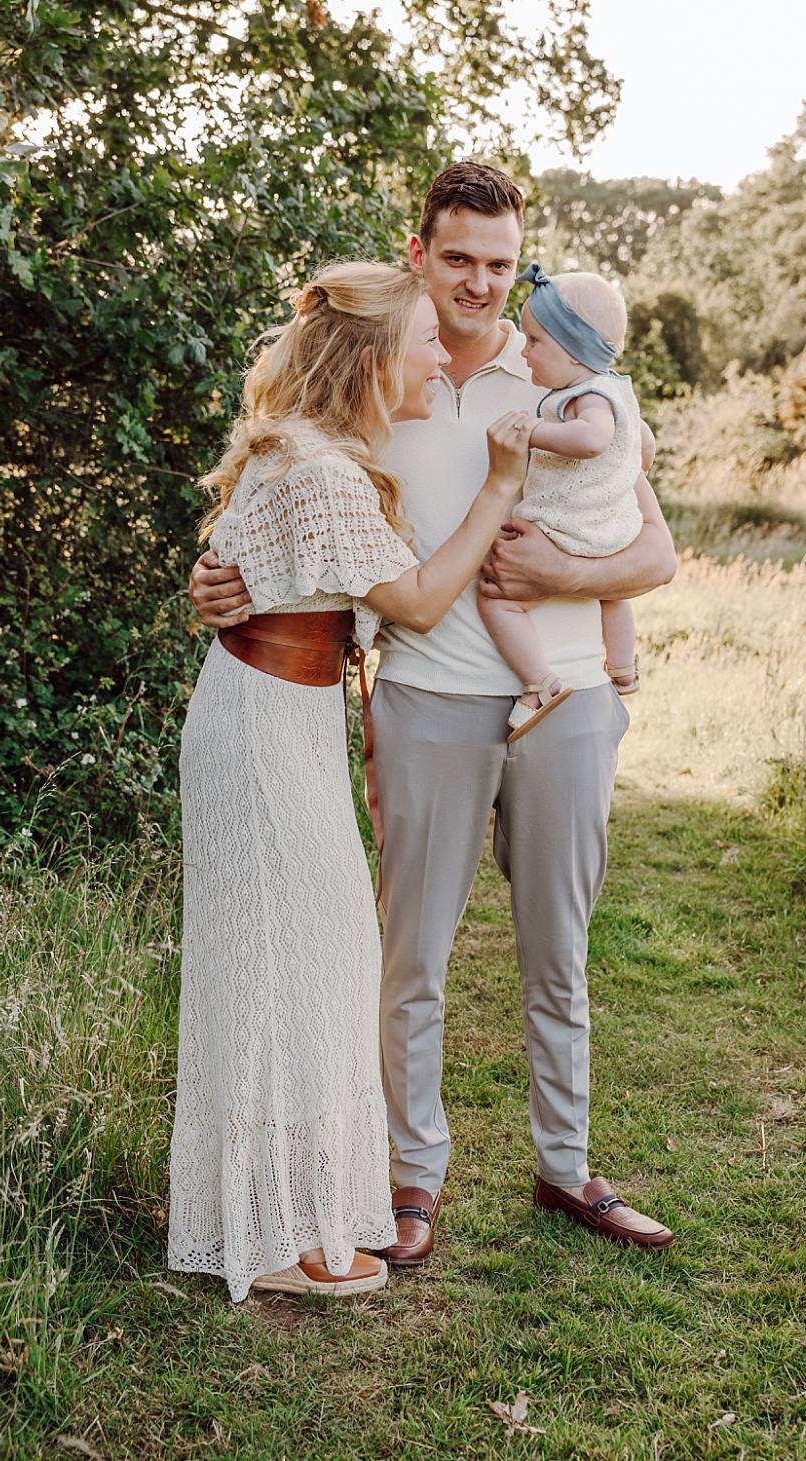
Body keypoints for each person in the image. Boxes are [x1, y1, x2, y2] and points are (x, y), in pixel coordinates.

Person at [190, 162, 679, 1263]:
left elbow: (655, 550)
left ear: (521, 268)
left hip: (568, 703)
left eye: (500, 265)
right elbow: (280, 509)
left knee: (561, 952)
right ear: (420, 253)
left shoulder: (562, 376)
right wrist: (217, 582)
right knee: (410, 956)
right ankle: (409, 1178)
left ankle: (568, 1171)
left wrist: (555, 578)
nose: (480, 283)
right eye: (458, 258)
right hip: (424, 698)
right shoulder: (379, 384)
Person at [169, 258, 536, 1301]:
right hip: (263, 727)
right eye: (423, 340)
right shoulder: (322, 468)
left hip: (274, 718)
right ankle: (282, 1238)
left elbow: (270, 583)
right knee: (305, 964)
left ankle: (279, 1213)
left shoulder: (316, 456)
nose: (437, 354)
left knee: (302, 961)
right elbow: (416, 602)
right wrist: (502, 488)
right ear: (376, 358)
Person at [480, 265, 651, 740]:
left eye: (535, 341)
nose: (525, 350)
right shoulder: (618, 390)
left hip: (564, 526)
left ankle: (539, 683)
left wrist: (536, 431)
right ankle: (622, 668)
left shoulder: (587, 396)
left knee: (496, 599)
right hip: (611, 528)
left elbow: (594, 439)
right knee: (613, 592)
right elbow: (641, 448)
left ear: (575, 349)